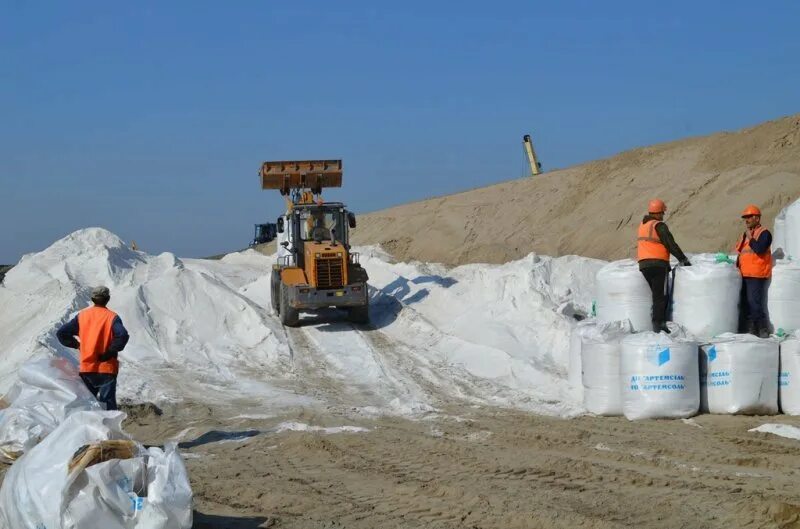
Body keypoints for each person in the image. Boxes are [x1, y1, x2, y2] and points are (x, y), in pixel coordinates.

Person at [56, 286, 130, 410]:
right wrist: (110, 351)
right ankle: (108, 428)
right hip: (107, 368)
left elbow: (61, 333)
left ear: (92, 299)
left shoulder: (82, 316)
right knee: (107, 406)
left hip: (87, 368)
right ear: (108, 299)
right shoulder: (112, 317)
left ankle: (89, 428)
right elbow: (122, 335)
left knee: (88, 405)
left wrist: (77, 345)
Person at [637, 199, 691, 333]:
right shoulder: (659, 225)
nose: (663, 216)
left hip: (644, 265)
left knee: (656, 295)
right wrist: (683, 259)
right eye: (662, 213)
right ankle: (659, 324)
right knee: (661, 296)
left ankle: (656, 322)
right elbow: (670, 244)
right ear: (659, 212)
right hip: (658, 265)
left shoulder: (642, 225)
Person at [735, 205, 772, 338]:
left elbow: (760, 249)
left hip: (757, 274)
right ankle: (750, 329)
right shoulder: (745, 235)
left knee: (754, 303)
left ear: (757, 218)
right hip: (744, 274)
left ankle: (762, 329)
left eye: (749, 217)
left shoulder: (764, 233)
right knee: (746, 303)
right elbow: (741, 254)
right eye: (745, 218)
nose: (747, 220)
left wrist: (750, 238)